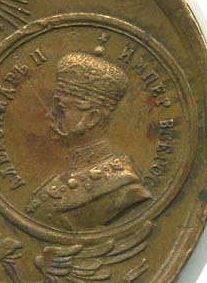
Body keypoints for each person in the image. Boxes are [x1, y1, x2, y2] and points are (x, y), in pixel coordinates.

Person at [25, 50, 151, 231]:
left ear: (92, 118)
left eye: (61, 108)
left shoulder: (125, 187)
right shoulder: (71, 174)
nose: (49, 115)